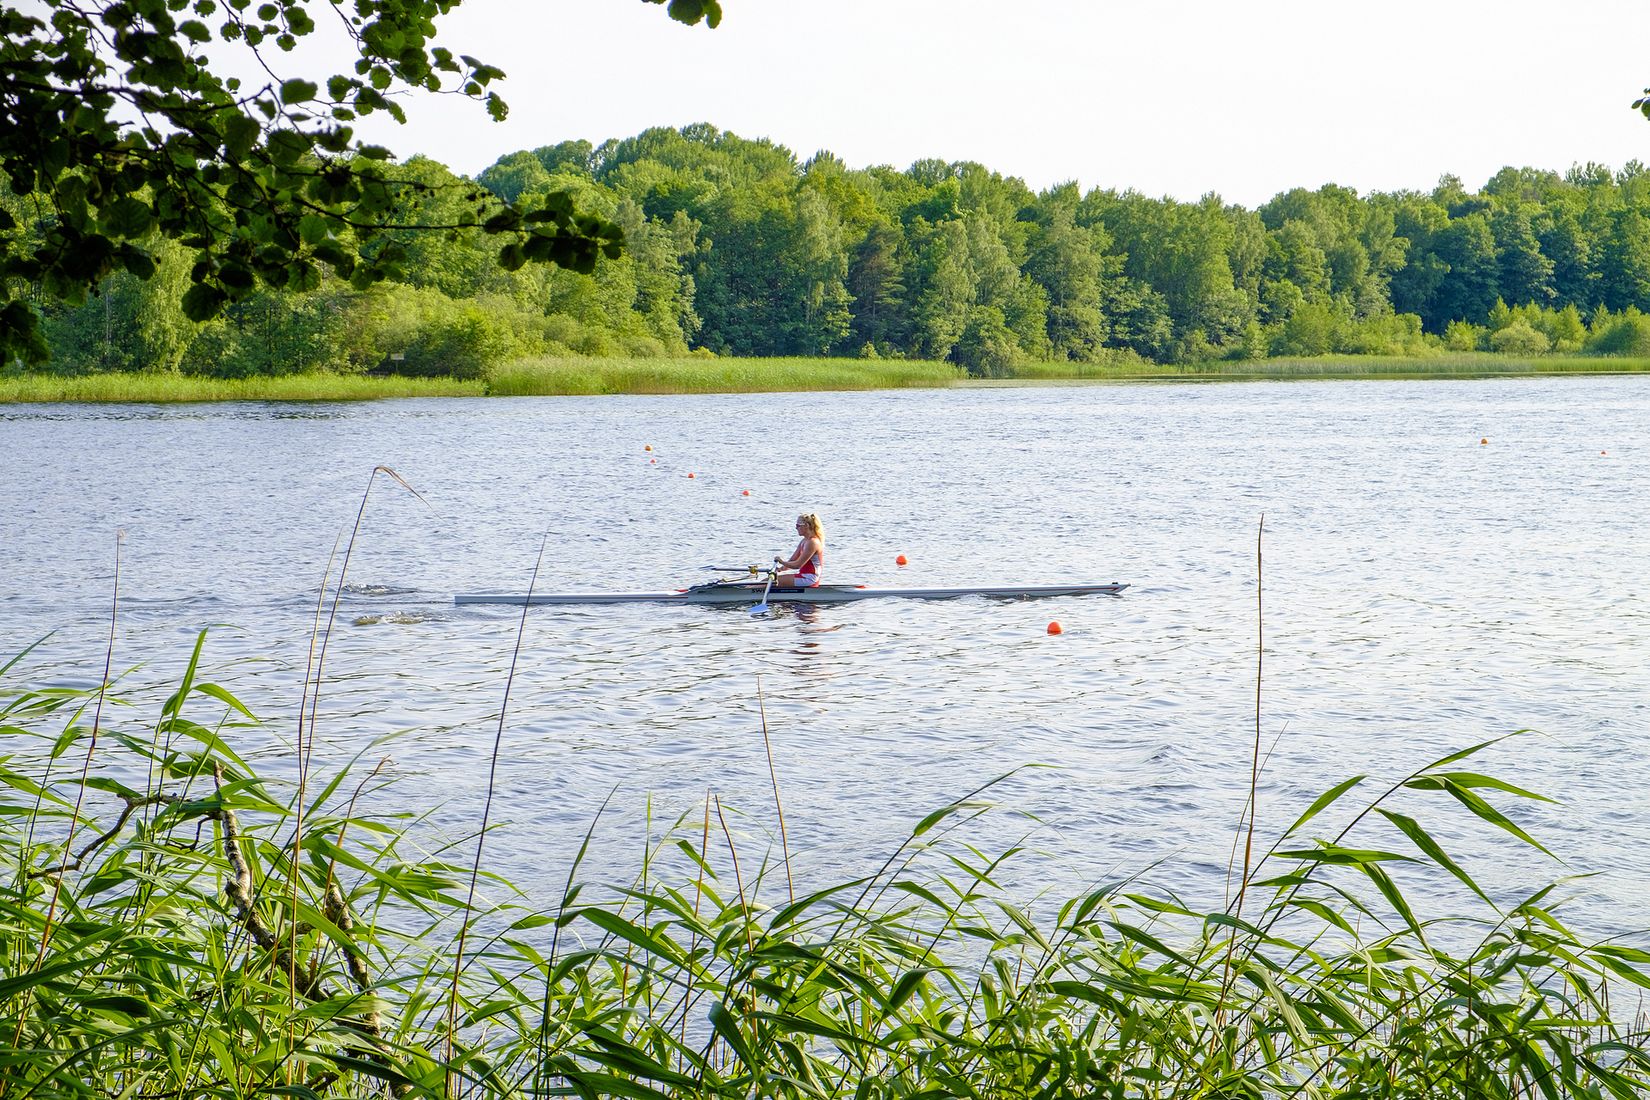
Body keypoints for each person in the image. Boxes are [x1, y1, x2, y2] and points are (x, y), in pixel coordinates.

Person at [773, 513, 824, 588]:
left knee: (770, 582)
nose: (796, 528)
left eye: (798, 525)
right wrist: (780, 569)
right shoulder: (804, 541)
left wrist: (781, 561)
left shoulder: (813, 542)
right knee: (769, 581)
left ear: (806, 525)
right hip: (803, 575)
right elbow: (792, 560)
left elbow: (797, 565)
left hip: (809, 578)